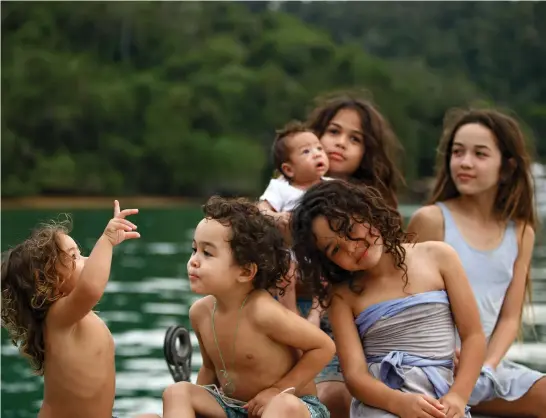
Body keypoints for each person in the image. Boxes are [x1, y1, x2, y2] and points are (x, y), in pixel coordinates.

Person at [291, 179, 487, 418]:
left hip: (443, 400)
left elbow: (474, 336)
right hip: (382, 403)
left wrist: (458, 396)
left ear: (367, 212)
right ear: (327, 261)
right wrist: (399, 404)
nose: (351, 248)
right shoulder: (342, 295)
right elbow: (355, 377)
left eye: (350, 229)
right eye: (335, 250)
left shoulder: (439, 256)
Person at [407, 108, 546, 417]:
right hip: (429, 364)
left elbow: (510, 318)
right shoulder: (431, 219)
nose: (465, 162)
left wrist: (485, 367)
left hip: (484, 369)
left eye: (480, 154)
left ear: (507, 168)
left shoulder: (521, 232)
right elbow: (399, 300)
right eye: (458, 152)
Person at [161, 196, 335, 418]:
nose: (193, 260)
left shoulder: (262, 311)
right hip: (234, 406)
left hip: (294, 406)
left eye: (207, 253)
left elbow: (324, 347)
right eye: (194, 249)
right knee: (178, 392)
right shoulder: (201, 313)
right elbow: (210, 369)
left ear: (245, 272)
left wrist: (277, 390)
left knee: (283, 405)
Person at [300, 91, 406, 417]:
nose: (340, 143)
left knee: (338, 396)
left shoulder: (376, 208)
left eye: (354, 138)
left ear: (367, 152)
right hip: (292, 314)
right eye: (333, 131)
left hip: (352, 319)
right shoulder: (285, 195)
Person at [0, 200, 154, 418]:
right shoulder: (58, 318)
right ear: (45, 280)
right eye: (74, 257)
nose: (87, 260)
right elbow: (91, 287)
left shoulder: (73, 317)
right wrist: (106, 241)